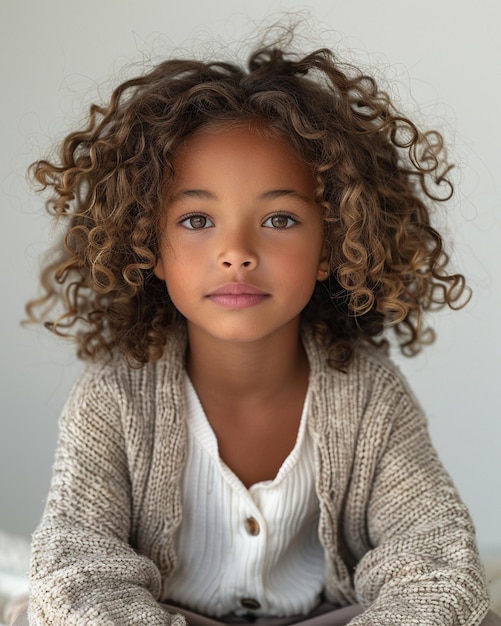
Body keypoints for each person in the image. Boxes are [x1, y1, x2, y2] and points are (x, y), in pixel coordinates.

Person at [19, 34, 500, 626]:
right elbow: (75, 564)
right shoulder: (114, 398)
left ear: (333, 244)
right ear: (149, 247)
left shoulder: (371, 397)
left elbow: (434, 558)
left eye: (280, 219)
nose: (237, 253)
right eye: (197, 220)